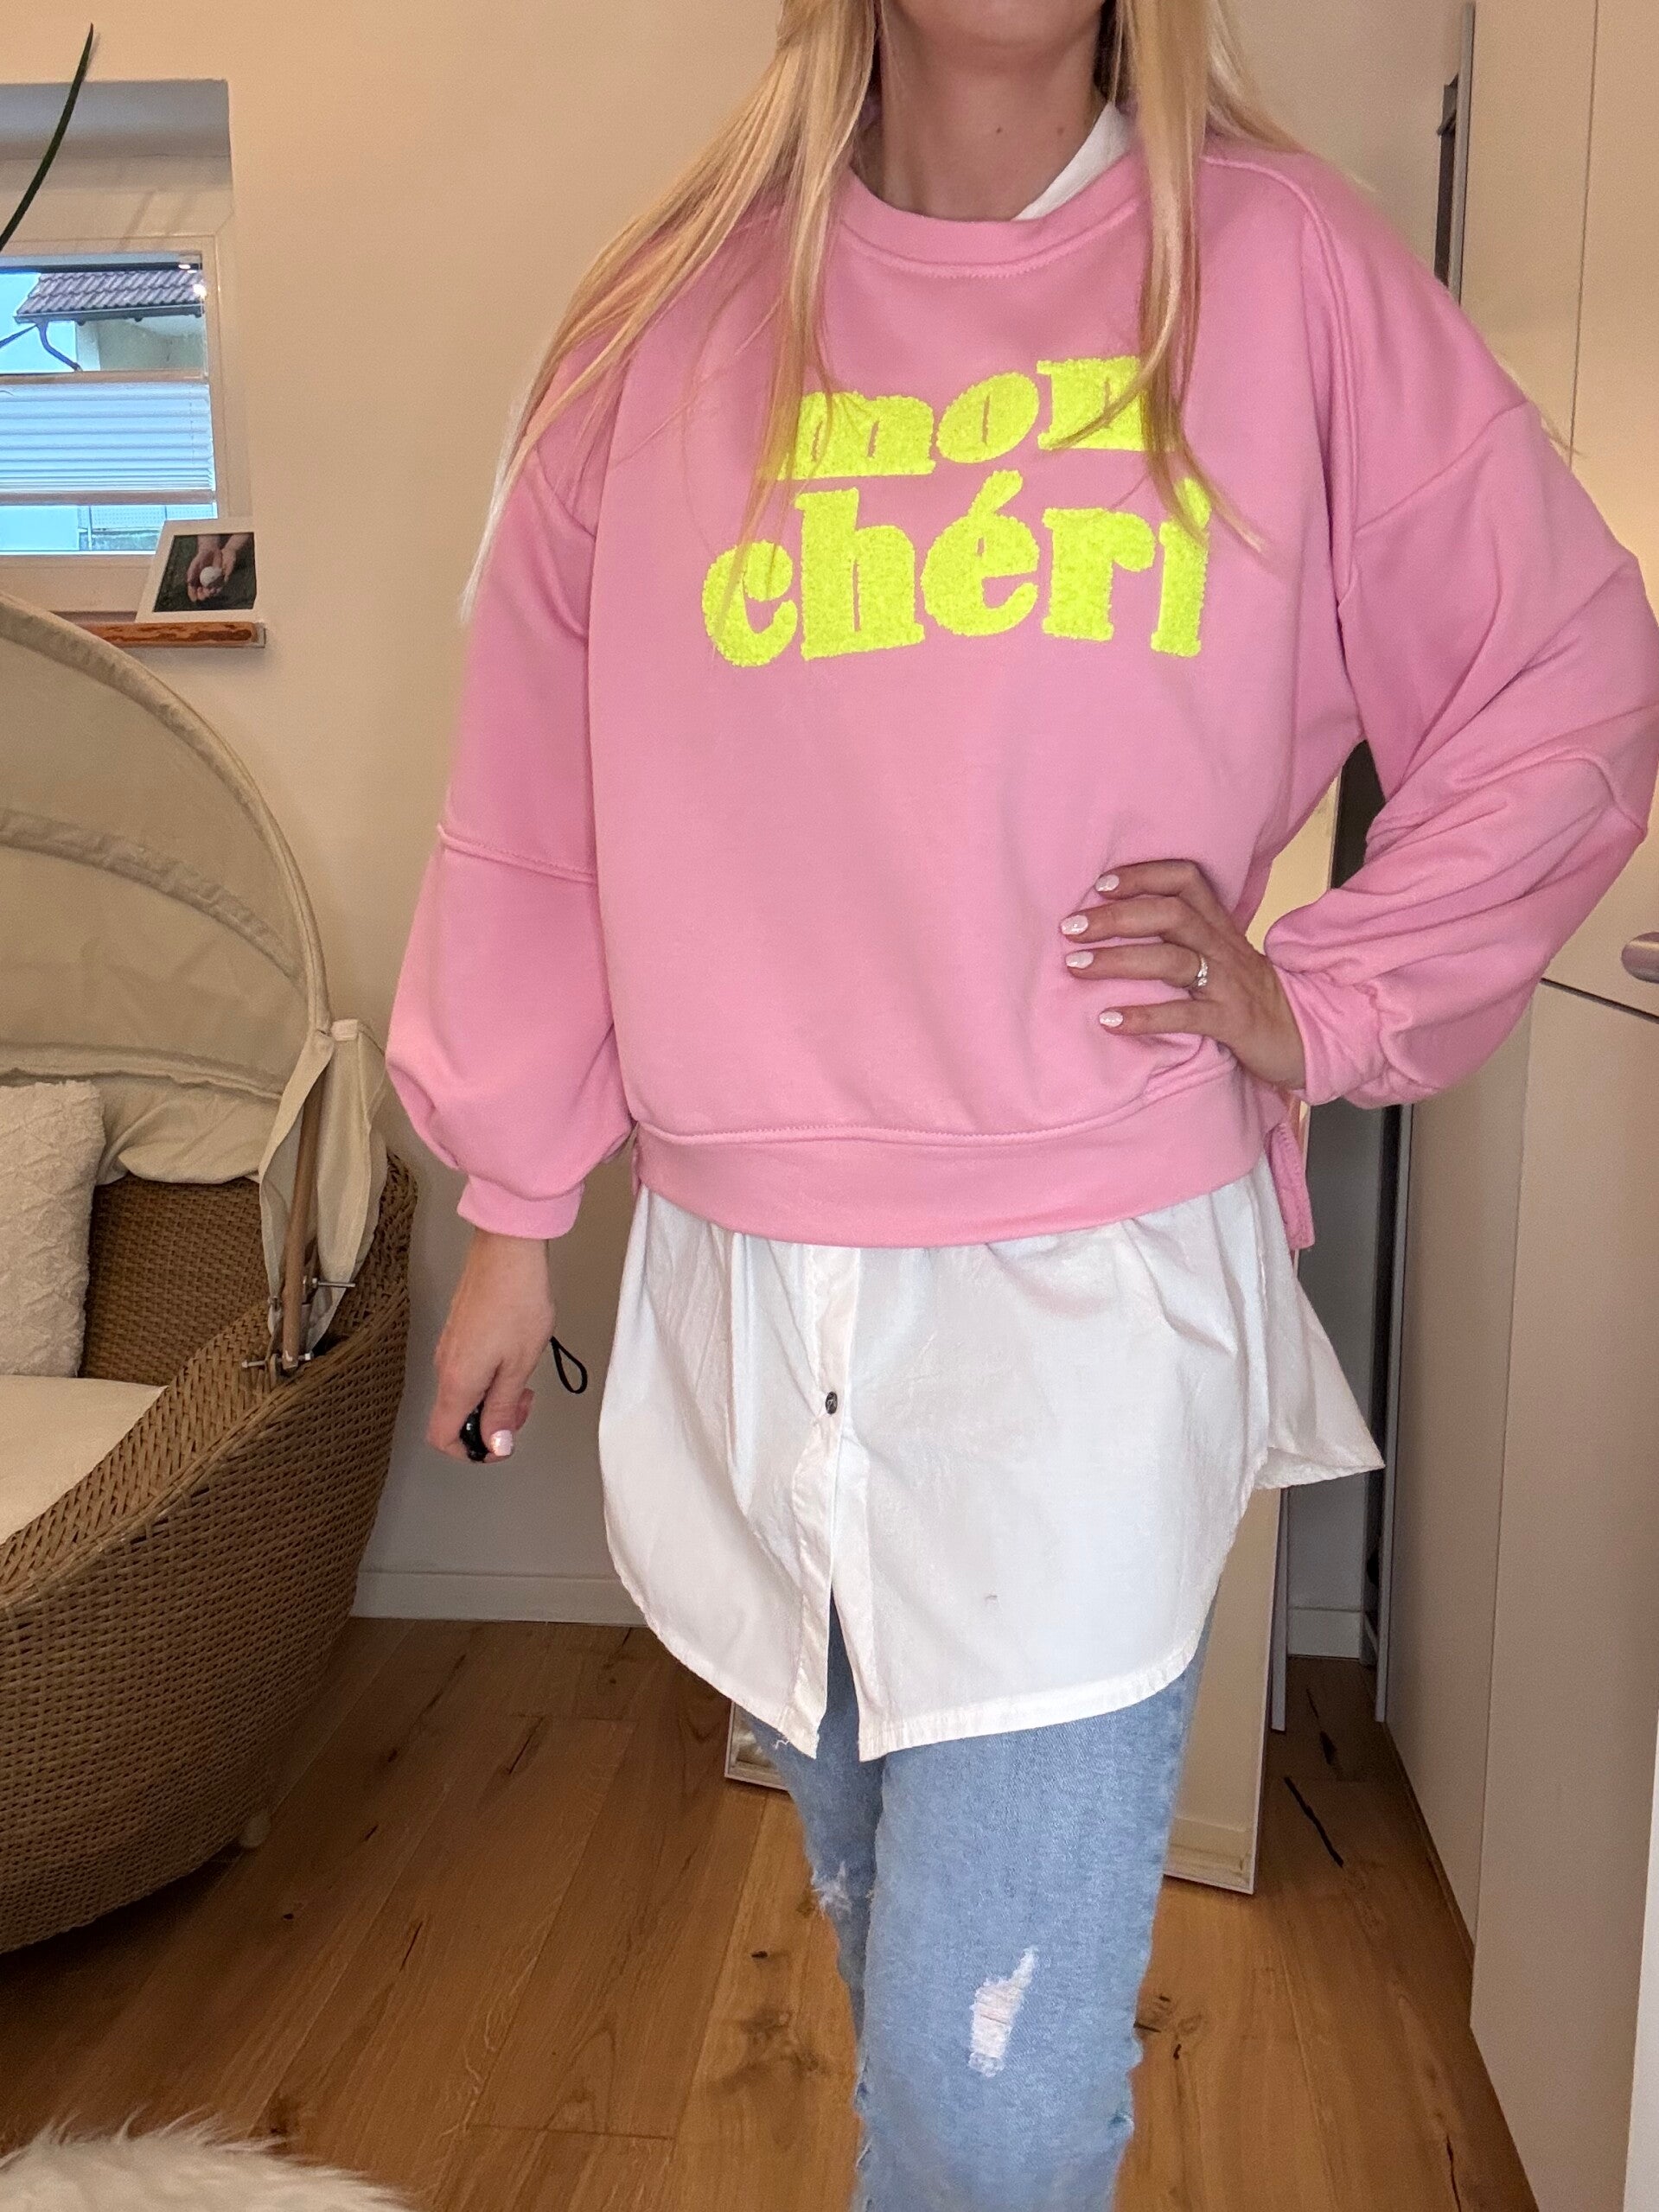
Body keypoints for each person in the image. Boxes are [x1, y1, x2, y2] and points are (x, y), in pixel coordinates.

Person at [386, 2, 1659, 2202]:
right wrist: (515, 1203)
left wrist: (1320, 989)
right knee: (905, 1982)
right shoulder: (660, 320)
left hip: (1085, 1317)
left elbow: (1569, 672)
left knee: (981, 2105)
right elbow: (535, 793)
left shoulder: (1283, 269)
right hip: (756, 1315)